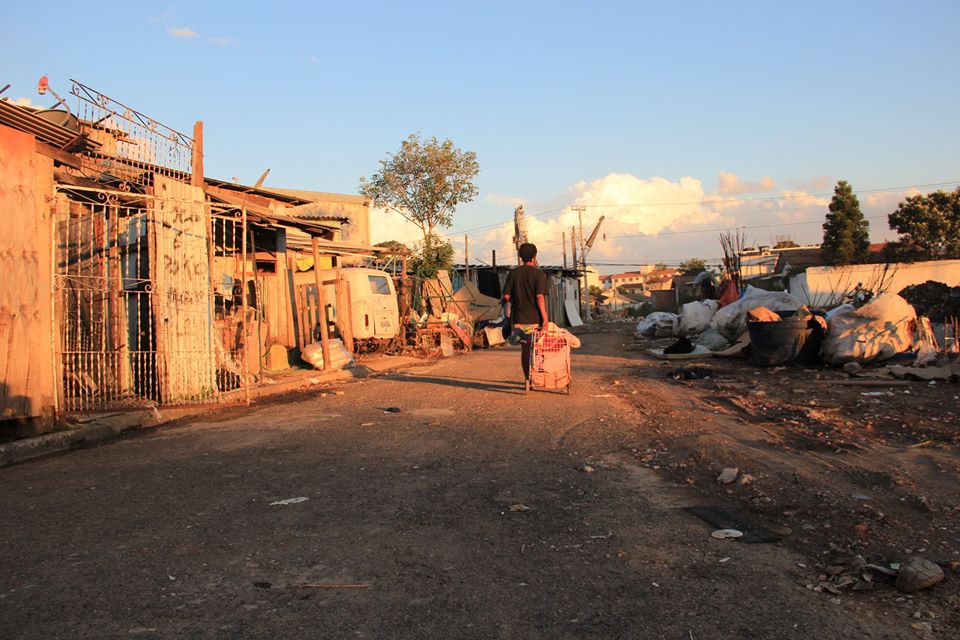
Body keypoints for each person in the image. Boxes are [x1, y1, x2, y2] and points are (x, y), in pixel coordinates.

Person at [503, 242, 549, 383]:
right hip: (535, 320)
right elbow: (540, 297)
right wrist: (545, 319)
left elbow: (506, 297)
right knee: (537, 349)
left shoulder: (513, 273)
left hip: (518, 321)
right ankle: (537, 376)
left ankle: (527, 379)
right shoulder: (539, 274)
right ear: (534, 257)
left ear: (520, 257)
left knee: (525, 350)